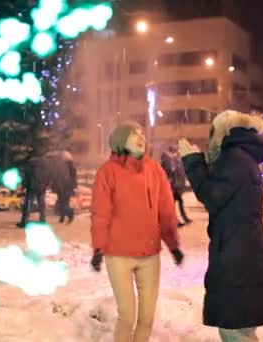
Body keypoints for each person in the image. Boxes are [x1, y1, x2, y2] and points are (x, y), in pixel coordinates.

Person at [178, 110, 263, 342]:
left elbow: (212, 195)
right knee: (242, 329)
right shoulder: (243, 157)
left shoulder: (234, 158)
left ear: (223, 132)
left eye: (213, 131)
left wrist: (192, 160)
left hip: (237, 258)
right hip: (244, 253)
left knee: (234, 330)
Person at [90, 121, 184, 342]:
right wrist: (98, 249)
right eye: (134, 134)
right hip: (118, 255)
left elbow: (166, 211)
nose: (141, 137)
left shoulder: (155, 170)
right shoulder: (107, 172)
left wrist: (173, 245)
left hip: (149, 255)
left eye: (143, 133)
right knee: (127, 316)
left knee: (147, 318)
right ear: (121, 140)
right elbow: (100, 214)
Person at [17, 145, 48, 228]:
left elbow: (27, 176)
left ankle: (24, 221)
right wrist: (47, 184)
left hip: (32, 186)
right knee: (42, 204)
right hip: (42, 186)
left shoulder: (30, 163)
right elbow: (48, 175)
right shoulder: (45, 162)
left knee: (28, 204)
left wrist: (23, 186)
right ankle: (43, 220)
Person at [161, 145, 192, 228]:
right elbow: (168, 171)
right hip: (170, 186)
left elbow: (178, 172)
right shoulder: (166, 159)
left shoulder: (175, 159)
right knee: (174, 204)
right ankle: (176, 221)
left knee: (177, 203)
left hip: (174, 185)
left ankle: (180, 220)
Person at [56, 150, 77, 224]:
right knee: (62, 202)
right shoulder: (68, 166)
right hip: (65, 187)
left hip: (65, 187)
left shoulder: (67, 166)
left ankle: (70, 214)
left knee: (63, 203)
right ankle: (62, 217)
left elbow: (72, 178)